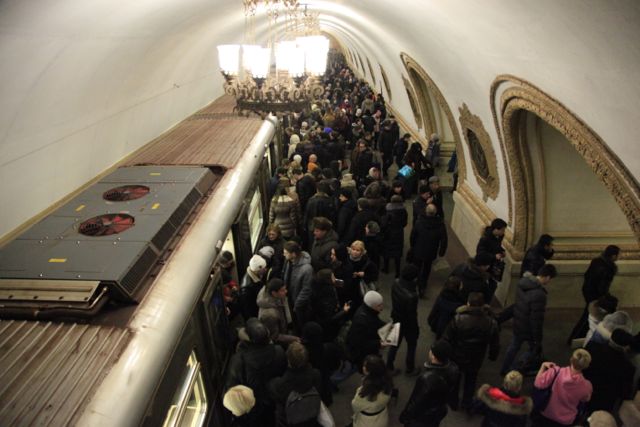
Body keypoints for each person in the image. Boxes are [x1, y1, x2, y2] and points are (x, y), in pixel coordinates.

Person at [226, 318, 287, 427]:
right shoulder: (279, 351)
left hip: (252, 407)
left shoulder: (238, 360)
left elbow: (232, 389)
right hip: (273, 401)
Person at [443, 292, 500, 409]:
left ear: (468, 303)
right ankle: (466, 402)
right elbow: (494, 343)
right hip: (476, 357)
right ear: (483, 305)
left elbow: (447, 338)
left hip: (458, 355)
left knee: (456, 378)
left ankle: (453, 402)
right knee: (471, 379)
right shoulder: (490, 322)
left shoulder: (458, 319)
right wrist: (492, 355)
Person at [501, 264, 557, 375]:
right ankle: (518, 368)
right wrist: (538, 337)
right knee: (533, 349)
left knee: (514, 346)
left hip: (518, 321)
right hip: (528, 327)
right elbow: (536, 319)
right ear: (547, 277)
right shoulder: (539, 295)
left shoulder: (523, 282)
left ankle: (505, 368)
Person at [567, 245, 621, 343]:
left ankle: (578, 338)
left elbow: (587, 276)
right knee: (589, 316)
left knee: (590, 315)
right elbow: (602, 286)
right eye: (618, 255)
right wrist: (605, 297)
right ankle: (575, 339)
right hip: (596, 294)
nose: (619, 256)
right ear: (613, 256)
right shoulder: (608, 268)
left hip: (588, 291)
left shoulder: (597, 261)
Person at [400, 340, 460, 427]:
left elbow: (416, 402)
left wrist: (405, 416)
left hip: (422, 418)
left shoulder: (427, 379)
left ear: (433, 356)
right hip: (437, 413)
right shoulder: (454, 369)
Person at [532, 349, 592, 427]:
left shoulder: (555, 371)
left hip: (547, 412)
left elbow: (538, 384)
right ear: (586, 366)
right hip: (566, 421)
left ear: (571, 359)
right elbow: (586, 399)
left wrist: (543, 366)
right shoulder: (586, 386)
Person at [268, 341, 323, 427]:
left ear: (288, 360)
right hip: (311, 417)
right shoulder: (316, 375)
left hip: (290, 422)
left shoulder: (278, 384)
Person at [583, 328, 635, 413]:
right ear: (626, 347)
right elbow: (625, 393)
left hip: (582, 390)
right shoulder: (628, 368)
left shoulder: (592, 347)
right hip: (603, 402)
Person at [386, 264, 420, 375]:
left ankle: (389, 366)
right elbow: (412, 315)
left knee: (394, 343)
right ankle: (410, 368)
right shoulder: (412, 296)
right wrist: (415, 329)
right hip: (408, 323)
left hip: (396, 317)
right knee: (412, 344)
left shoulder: (396, 283)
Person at [409, 203, 448, 298]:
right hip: (431, 251)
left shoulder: (419, 222)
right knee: (427, 268)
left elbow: (413, 235)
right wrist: (441, 252)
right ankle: (422, 286)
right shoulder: (440, 224)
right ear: (435, 213)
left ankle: (415, 283)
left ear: (426, 212)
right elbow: (444, 239)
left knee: (417, 267)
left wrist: (412, 246)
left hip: (418, 249)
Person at [346, 290, 386, 370]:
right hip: (362, 355)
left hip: (368, 349)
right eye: (379, 306)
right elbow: (360, 344)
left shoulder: (368, 311)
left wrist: (386, 326)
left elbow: (375, 321)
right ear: (371, 306)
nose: (382, 308)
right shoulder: (361, 321)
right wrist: (378, 344)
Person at [351, 355, 393, 427]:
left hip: (367, 422)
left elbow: (355, 406)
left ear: (370, 371)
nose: (363, 367)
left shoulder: (364, 391)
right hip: (382, 416)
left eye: (365, 366)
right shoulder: (388, 383)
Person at [310, 269, 351, 341]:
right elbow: (330, 319)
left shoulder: (319, 286)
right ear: (328, 280)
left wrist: (341, 283)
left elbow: (341, 283)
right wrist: (344, 311)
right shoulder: (325, 297)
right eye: (333, 277)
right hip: (328, 328)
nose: (335, 279)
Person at [283, 241, 314, 329]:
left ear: (293, 254)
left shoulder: (307, 269)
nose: (283, 254)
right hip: (290, 298)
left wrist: (297, 305)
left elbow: (306, 289)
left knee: (301, 323)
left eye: (286, 253)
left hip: (300, 304)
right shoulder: (289, 261)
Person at [257, 278, 297, 345]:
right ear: (274, 293)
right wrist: (293, 339)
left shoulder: (274, 296)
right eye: (282, 290)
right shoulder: (269, 315)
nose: (286, 291)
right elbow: (274, 337)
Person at [382, 194, 408, 277]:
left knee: (386, 250)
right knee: (398, 252)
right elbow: (405, 223)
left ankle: (386, 268)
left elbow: (384, 223)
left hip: (388, 233)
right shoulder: (404, 211)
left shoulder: (387, 210)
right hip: (399, 233)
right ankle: (397, 272)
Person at [476, 218, 507, 283]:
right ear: (496, 229)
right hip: (484, 264)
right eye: (502, 230)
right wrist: (494, 256)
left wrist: (502, 251)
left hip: (493, 265)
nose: (504, 232)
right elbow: (480, 253)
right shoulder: (485, 238)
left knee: (493, 284)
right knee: (481, 282)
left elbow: (496, 246)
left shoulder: (499, 237)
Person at [239, 255, 268, 321]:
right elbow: (247, 309)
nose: (266, 269)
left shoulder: (256, 275)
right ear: (257, 270)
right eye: (264, 268)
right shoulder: (246, 288)